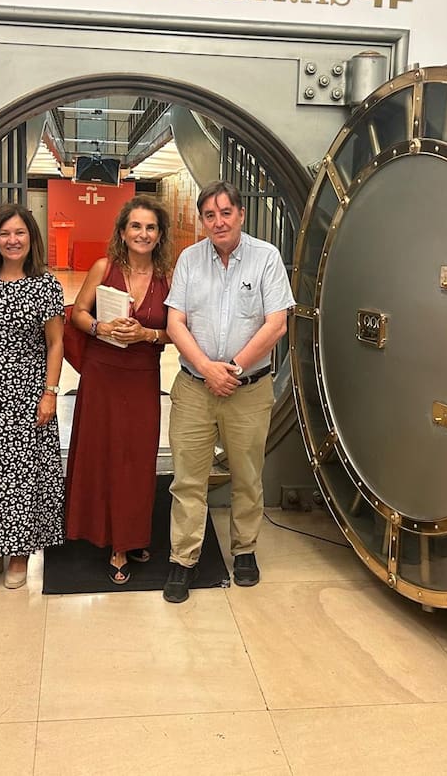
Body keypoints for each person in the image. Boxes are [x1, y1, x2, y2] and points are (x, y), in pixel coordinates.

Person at [162, 181, 294, 603]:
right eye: (209, 215)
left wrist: (232, 369)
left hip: (248, 390)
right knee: (188, 478)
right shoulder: (189, 259)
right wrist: (207, 368)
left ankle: (244, 550)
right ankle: (183, 558)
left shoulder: (266, 258)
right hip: (194, 388)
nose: (218, 221)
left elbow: (277, 324)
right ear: (202, 220)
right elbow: (175, 322)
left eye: (225, 212)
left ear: (240, 214)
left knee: (248, 476)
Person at [0, 202, 66, 590]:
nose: (12, 240)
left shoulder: (45, 285)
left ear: (31, 238)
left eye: (19, 232)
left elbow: (56, 344)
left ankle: (19, 554)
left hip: (29, 392)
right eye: (4, 233)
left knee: (22, 476)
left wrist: (50, 393)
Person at [65, 195, 172, 584]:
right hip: (102, 375)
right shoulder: (103, 267)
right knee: (104, 454)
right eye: (136, 226)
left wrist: (147, 334)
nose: (143, 233)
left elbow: (177, 331)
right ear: (123, 232)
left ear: (159, 235)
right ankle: (115, 543)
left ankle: (132, 534)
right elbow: (77, 314)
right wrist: (101, 327)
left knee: (137, 459)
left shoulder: (168, 278)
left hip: (142, 376)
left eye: (150, 227)